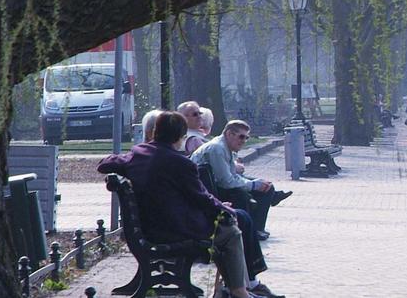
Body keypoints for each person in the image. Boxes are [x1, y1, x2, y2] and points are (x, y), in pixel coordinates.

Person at [96, 112, 278, 298]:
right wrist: (224, 208)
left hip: (148, 227)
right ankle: (239, 291)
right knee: (231, 231)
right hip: (174, 230)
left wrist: (128, 157)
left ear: (155, 132)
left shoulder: (138, 154)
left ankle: (231, 289)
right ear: (180, 137)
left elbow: (104, 164)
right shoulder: (181, 163)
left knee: (234, 219)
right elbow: (201, 198)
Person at [191, 120, 293, 241]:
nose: (244, 141)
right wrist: (253, 185)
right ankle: (246, 231)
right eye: (241, 137)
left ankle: (257, 228)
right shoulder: (217, 149)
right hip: (207, 189)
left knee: (267, 188)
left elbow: (231, 176)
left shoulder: (226, 148)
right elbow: (226, 181)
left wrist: (256, 183)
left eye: (246, 138)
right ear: (229, 134)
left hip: (216, 183)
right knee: (242, 195)